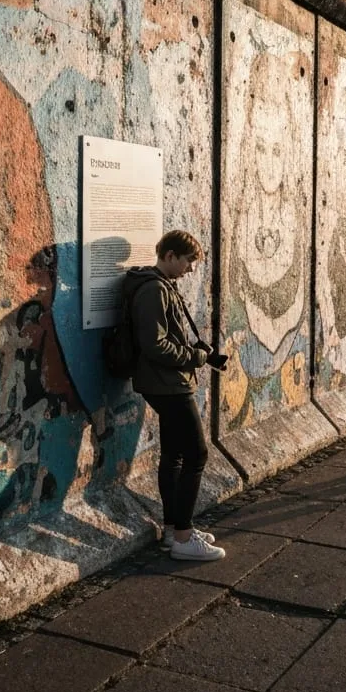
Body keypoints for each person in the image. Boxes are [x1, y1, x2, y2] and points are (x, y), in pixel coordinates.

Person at [126, 230, 229, 561]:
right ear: (169, 255)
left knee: (174, 455)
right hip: (167, 384)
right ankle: (184, 538)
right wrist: (195, 357)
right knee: (196, 454)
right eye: (187, 261)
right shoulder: (153, 289)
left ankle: (174, 530)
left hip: (164, 381)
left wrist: (203, 355)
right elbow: (154, 344)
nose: (189, 268)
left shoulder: (160, 286)